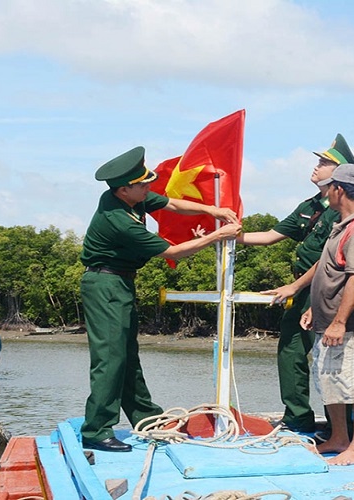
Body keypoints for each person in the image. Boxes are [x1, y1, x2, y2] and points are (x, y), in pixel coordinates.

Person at [80, 146, 241, 452]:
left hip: (120, 282)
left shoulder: (127, 197)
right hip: (104, 283)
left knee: (127, 355)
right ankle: (96, 429)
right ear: (125, 189)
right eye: (143, 185)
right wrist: (216, 236)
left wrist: (212, 210)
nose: (149, 187)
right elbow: (172, 252)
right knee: (110, 359)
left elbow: (172, 205)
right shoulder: (119, 219)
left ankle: (145, 417)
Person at [237, 134, 354, 433]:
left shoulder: (341, 211)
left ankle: (342, 428)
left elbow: (328, 259)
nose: (316, 167)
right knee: (291, 349)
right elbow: (269, 236)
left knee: (333, 358)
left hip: (330, 291)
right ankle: (298, 416)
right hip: (305, 291)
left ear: (339, 172)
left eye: (323, 163)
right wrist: (226, 236)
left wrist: (294, 286)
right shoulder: (312, 205)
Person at [300, 163, 354, 466]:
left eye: (330, 187)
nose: (327, 192)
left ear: (339, 190)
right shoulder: (344, 225)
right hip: (329, 321)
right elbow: (331, 272)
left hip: (349, 326)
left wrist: (339, 321)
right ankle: (338, 438)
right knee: (330, 380)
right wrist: (314, 307)